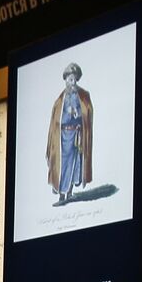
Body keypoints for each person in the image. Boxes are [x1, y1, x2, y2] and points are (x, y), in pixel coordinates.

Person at [46, 62, 93, 205]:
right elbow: (56, 121)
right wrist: (67, 114)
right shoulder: (60, 100)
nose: (71, 82)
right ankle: (61, 194)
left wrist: (78, 113)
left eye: (73, 79)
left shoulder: (82, 96)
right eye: (69, 79)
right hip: (63, 138)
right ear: (65, 79)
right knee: (64, 164)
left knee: (75, 164)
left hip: (77, 136)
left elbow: (87, 114)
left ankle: (70, 192)